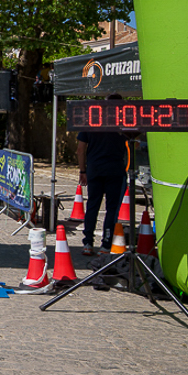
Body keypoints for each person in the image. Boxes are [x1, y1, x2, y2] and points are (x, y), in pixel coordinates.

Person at [77, 93, 131, 255]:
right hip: (115, 170)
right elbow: (133, 145)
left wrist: (82, 170)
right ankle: (106, 244)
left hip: (95, 170)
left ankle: (88, 242)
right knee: (112, 209)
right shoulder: (123, 123)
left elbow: (80, 149)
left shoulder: (91, 121)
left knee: (92, 205)